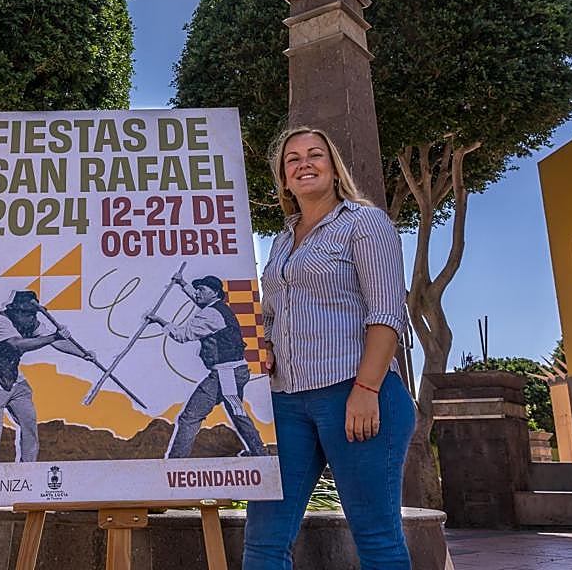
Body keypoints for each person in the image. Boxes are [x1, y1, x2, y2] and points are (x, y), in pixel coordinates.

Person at [243, 126, 415, 570]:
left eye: (314, 154)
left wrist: (367, 388)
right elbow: (277, 319)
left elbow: (386, 314)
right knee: (263, 541)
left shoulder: (364, 222)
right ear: (283, 178)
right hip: (284, 402)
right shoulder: (281, 239)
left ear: (333, 167)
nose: (304, 163)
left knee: (376, 538)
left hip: (355, 394)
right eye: (292, 158)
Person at [145, 275, 267, 458]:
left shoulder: (210, 315)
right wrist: (182, 283)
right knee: (237, 413)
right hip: (235, 371)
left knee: (190, 417)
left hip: (226, 375)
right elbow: (198, 299)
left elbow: (181, 335)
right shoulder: (217, 308)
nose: (197, 293)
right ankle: (259, 452)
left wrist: (159, 321)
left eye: (202, 289)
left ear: (214, 293)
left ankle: (177, 462)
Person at [0, 290, 92, 463]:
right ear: (15, 310)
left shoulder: (30, 322)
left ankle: (29, 469)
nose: (30, 318)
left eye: (33, 313)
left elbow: (57, 342)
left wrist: (83, 354)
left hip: (13, 379)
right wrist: (53, 336)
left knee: (29, 425)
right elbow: (17, 345)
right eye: (27, 313)